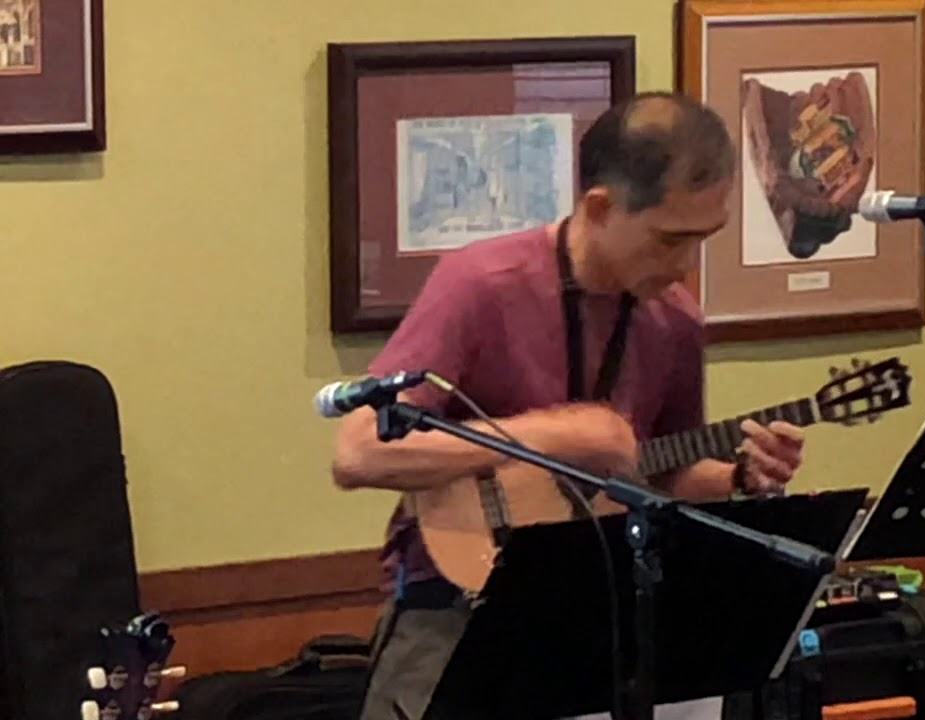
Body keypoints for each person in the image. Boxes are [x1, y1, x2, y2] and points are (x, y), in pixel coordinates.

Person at [330, 91, 807, 720]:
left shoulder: (675, 322)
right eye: (669, 240)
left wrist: (740, 478)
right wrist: (559, 436)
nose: (685, 265)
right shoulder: (481, 284)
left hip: (594, 605)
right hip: (454, 605)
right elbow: (358, 453)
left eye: (703, 239)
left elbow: (656, 475)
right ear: (600, 208)